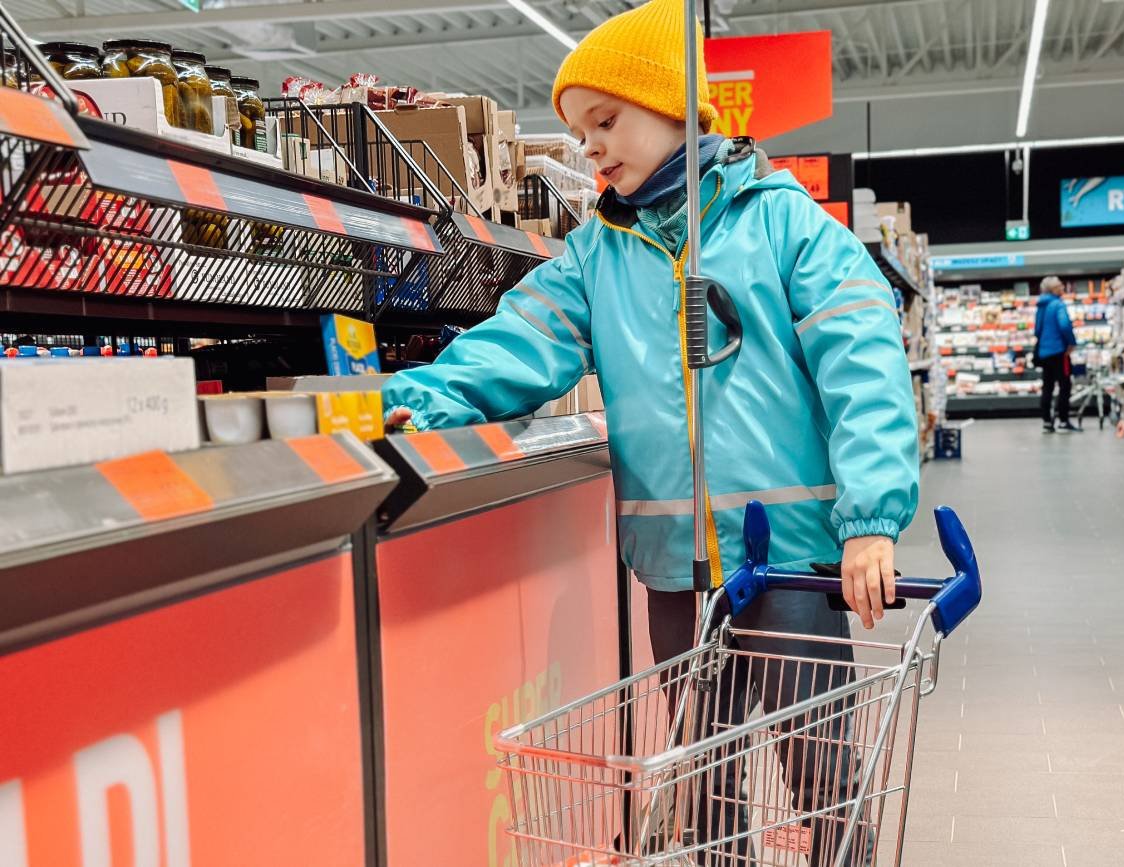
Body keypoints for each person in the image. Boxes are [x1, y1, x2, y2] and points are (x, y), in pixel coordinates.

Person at [382, 0, 919, 859]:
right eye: (579, 130)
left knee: (822, 775)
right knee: (704, 784)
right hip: (673, 569)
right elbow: (523, 340)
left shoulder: (784, 224)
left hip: (787, 562)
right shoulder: (600, 253)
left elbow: (865, 367)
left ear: (676, 108)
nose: (590, 145)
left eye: (606, 120)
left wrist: (871, 521)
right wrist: (426, 400)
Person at [1035, 276, 1081, 433]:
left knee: (1047, 387)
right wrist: (1071, 343)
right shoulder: (1058, 304)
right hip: (1059, 351)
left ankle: (1047, 422)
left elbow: (1037, 330)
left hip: (1044, 352)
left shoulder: (1041, 305)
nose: (1063, 287)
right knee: (1065, 386)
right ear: (1053, 289)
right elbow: (1065, 326)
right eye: (1060, 285)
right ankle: (1063, 421)